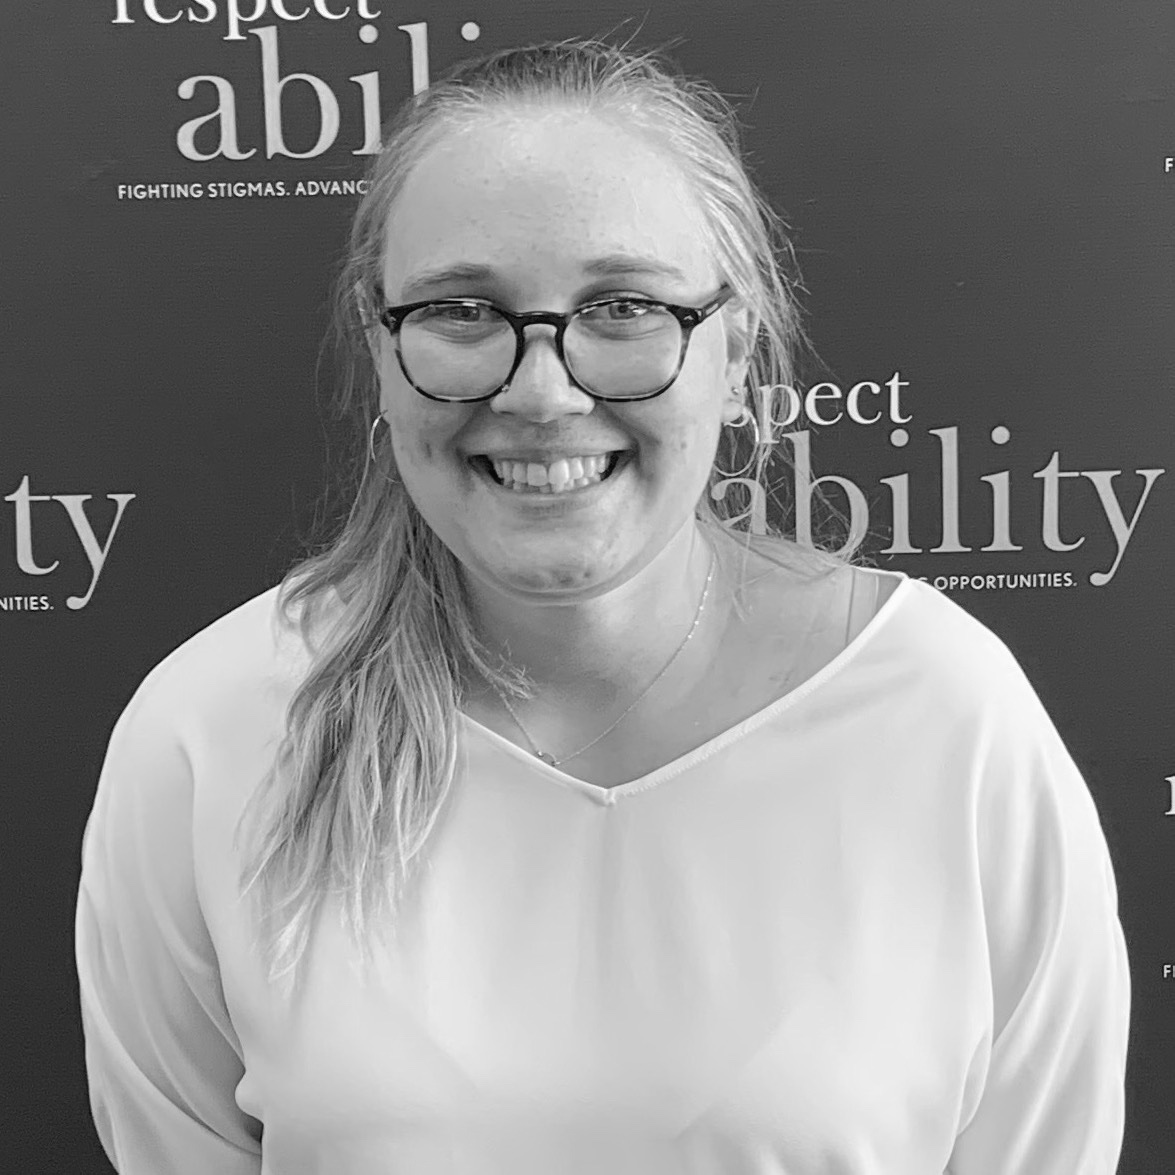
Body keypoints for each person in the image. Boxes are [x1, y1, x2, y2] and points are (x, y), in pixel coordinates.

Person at [75, 36, 1130, 1175]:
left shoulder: (946, 720)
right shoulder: (208, 735)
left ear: (736, 354)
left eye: (623, 304)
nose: (540, 389)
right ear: (379, 352)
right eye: (461, 309)